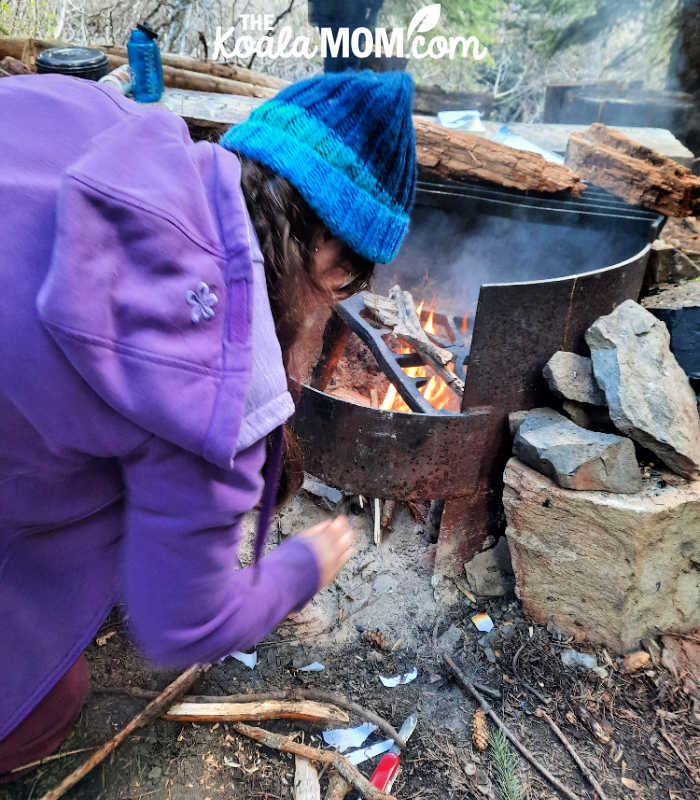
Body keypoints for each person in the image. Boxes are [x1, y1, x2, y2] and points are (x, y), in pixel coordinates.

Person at [0, 67, 417, 777]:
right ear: (326, 257)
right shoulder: (211, 384)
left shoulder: (97, 109)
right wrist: (300, 566)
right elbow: (185, 623)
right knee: (46, 702)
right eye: (345, 286)